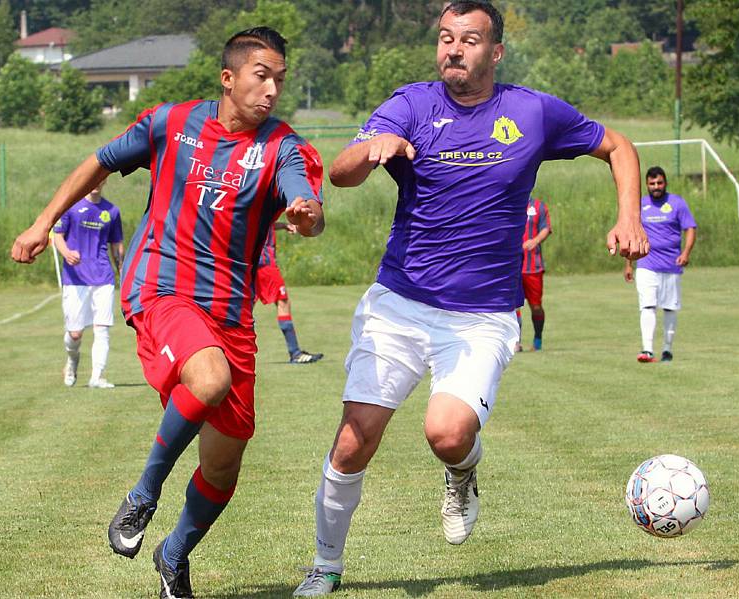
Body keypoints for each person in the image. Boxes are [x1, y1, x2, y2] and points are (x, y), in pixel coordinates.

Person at [293, 1, 648, 596]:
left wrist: (629, 216)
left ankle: (462, 473)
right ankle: (325, 566)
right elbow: (342, 173)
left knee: (448, 433)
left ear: (496, 51)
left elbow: (618, 146)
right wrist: (374, 144)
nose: (454, 49)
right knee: (355, 437)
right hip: (400, 303)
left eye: (470, 39)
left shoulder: (532, 111)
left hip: (481, 315)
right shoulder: (409, 105)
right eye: (445, 38)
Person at [11, 26, 325, 599]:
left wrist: (306, 214)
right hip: (162, 288)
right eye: (262, 76)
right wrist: (42, 222)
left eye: (280, 78)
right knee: (209, 377)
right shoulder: (170, 122)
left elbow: (305, 199)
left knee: (224, 466)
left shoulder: (284, 147)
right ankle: (142, 496)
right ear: (228, 78)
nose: (273, 89)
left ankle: (173, 553)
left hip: (231, 314)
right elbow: (99, 162)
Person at [52, 179, 124, 388]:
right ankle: (72, 361)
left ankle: (97, 377)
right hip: (76, 279)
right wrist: (66, 253)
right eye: (92, 180)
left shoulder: (112, 211)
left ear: (105, 181)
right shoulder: (71, 207)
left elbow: (117, 243)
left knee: (102, 329)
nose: (96, 184)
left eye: (100, 179)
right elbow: (57, 236)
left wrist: (122, 269)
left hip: (103, 278)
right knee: (75, 333)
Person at [624, 166, 696, 363]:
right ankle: (647, 349)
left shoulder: (677, 203)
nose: (656, 187)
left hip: (671, 265)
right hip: (646, 265)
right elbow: (631, 234)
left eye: (659, 183)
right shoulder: (640, 205)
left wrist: (686, 253)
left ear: (665, 183)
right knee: (647, 305)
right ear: (646, 185)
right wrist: (629, 264)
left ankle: (667, 349)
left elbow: (690, 228)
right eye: (652, 183)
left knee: (670, 308)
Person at [255, 222, 324, 363]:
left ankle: (227, 350)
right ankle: (295, 353)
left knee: (242, 309)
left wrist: (283, 225)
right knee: (283, 302)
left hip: (250, 264)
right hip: (264, 264)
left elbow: (266, 222)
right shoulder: (261, 202)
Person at [516, 196, 552, 351]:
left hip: (533, 266)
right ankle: (515, 342)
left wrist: (535, 240)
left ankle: (538, 338)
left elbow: (546, 228)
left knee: (536, 306)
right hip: (513, 265)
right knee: (513, 306)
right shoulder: (511, 201)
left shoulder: (538, 206)